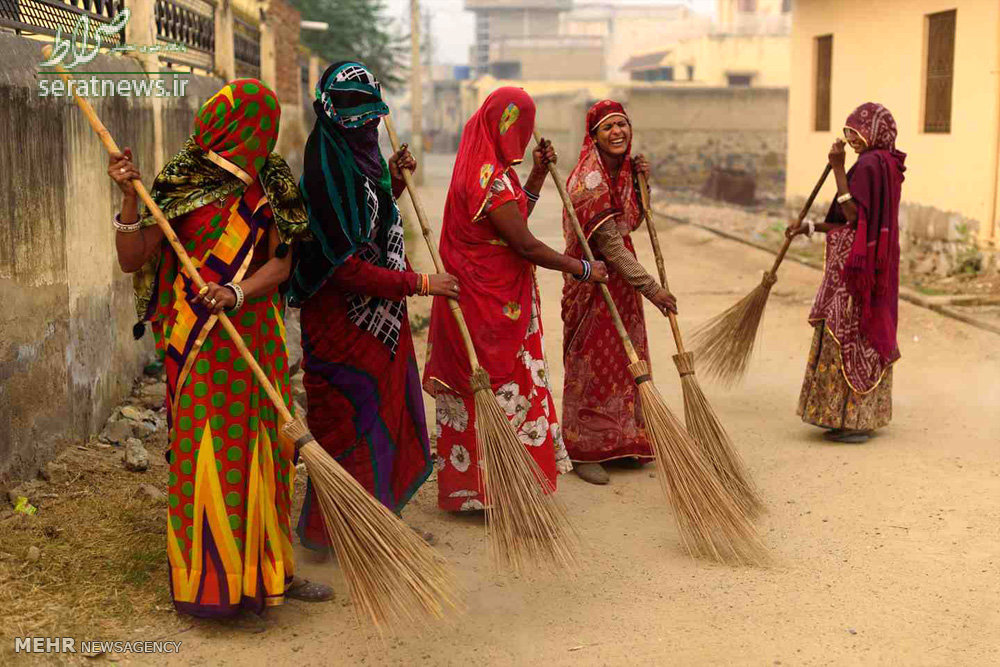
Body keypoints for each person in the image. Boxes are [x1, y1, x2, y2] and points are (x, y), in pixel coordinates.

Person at [107, 79, 332, 616]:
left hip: (255, 335)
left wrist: (236, 291)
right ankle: (209, 583)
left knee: (268, 451)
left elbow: (282, 264)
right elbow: (133, 259)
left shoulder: (272, 181)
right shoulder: (181, 178)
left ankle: (270, 568)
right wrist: (127, 196)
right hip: (197, 341)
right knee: (207, 450)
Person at [287, 62, 458, 549]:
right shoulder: (325, 169)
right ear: (327, 109)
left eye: (368, 110)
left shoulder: (362, 161)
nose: (360, 120)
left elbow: (373, 220)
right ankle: (334, 532)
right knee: (346, 421)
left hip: (382, 317)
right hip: (340, 323)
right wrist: (422, 282)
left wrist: (393, 180)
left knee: (387, 412)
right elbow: (343, 265)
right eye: (347, 108)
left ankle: (378, 519)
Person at [423, 87, 609, 511]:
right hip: (488, 306)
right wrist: (583, 268)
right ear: (508, 125)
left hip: (498, 299)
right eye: (522, 124)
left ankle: (490, 487)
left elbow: (512, 214)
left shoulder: (493, 168)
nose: (525, 136)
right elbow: (524, 244)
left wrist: (538, 175)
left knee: (493, 388)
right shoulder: (487, 175)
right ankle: (494, 491)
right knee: (497, 385)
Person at [560, 100, 677, 485]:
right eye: (609, 127)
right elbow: (610, 246)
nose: (618, 133)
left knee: (627, 362)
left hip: (622, 285)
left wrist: (644, 188)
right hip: (594, 284)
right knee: (592, 367)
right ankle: (585, 450)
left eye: (623, 125)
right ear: (593, 136)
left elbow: (632, 222)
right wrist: (653, 290)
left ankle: (624, 441)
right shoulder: (589, 179)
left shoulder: (623, 171)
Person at [788, 102, 905, 444]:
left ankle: (851, 420)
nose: (850, 138)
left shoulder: (870, 164)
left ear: (873, 133)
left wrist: (838, 168)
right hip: (864, 268)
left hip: (855, 274)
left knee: (848, 333)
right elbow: (852, 222)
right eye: (847, 132)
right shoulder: (883, 165)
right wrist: (807, 226)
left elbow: (852, 214)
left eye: (855, 132)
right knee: (855, 334)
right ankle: (855, 419)